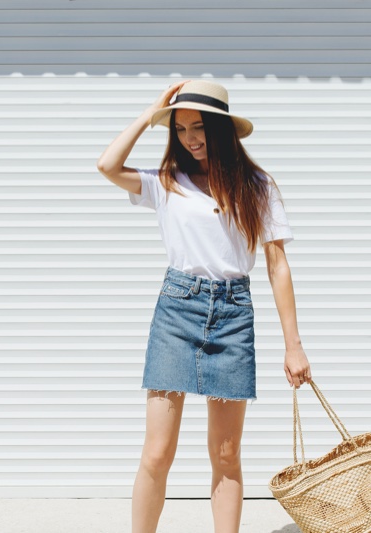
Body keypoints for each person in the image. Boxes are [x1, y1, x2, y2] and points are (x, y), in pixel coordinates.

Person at [96, 80, 312, 533]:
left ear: (221, 128)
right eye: (179, 129)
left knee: (227, 453)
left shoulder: (256, 186)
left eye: (198, 127)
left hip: (233, 317)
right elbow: (107, 164)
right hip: (176, 312)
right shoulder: (165, 183)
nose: (190, 138)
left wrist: (294, 347)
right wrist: (149, 113)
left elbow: (277, 266)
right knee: (157, 451)